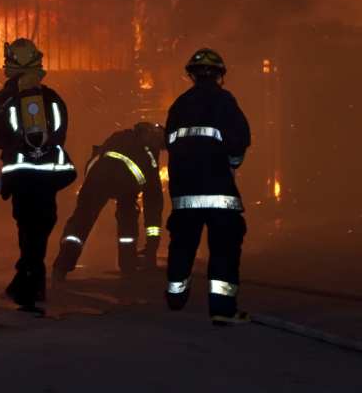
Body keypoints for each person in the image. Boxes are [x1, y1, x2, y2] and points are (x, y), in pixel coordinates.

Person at [0, 38, 77, 308]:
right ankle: (27, 285)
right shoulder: (53, 98)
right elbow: (60, 134)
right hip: (49, 176)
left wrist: (16, 146)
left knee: (28, 231)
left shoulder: (4, 98)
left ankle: (29, 289)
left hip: (23, 176)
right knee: (40, 230)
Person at [164, 48, 252, 325]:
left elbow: (169, 143)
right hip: (219, 194)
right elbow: (239, 141)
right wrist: (232, 162)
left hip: (185, 194)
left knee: (182, 245)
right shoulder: (225, 102)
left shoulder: (179, 105)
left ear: (192, 75)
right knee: (224, 250)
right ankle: (222, 310)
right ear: (219, 75)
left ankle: (175, 296)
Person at [52, 122, 165, 280]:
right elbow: (153, 202)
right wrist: (152, 247)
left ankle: (61, 266)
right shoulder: (149, 154)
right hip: (125, 185)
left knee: (81, 221)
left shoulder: (119, 136)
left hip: (95, 178)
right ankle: (128, 267)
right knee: (128, 222)